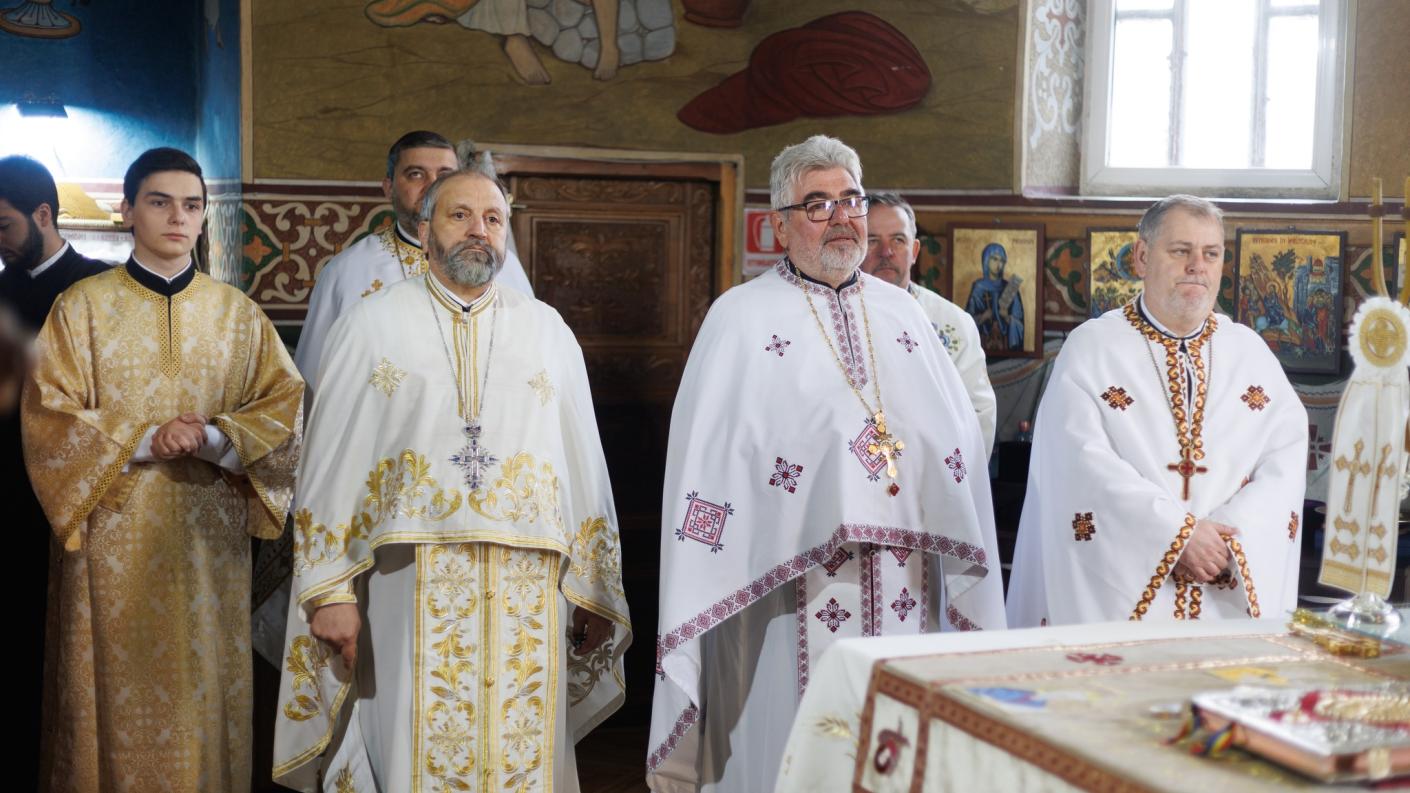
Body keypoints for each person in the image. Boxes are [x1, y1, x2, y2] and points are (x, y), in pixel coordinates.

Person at [649, 136, 1005, 793]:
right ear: (779, 224)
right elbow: (717, 460)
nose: (842, 216)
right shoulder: (740, 322)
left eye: (851, 199)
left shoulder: (907, 317)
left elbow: (956, 444)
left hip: (906, 583)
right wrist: (826, 490)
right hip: (785, 588)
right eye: (818, 204)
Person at [272, 167, 630, 792]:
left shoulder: (548, 332)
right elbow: (329, 461)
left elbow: (584, 465)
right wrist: (327, 591)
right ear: (424, 227)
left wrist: (594, 589)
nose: (478, 232)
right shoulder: (371, 324)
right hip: (406, 585)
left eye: (493, 219)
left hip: (530, 595)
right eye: (459, 215)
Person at [23, 147, 304, 792]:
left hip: (208, 551)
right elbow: (48, 416)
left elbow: (285, 413)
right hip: (108, 545)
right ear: (127, 211)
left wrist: (209, 438)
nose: (178, 217)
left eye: (192, 205)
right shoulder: (81, 307)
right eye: (159, 202)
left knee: (203, 695)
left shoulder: (237, 314)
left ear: (204, 218)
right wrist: (149, 438)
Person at [1007, 195, 1306, 627]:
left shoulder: (1251, 353)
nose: (1197, 266)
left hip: (1225, 585)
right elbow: (1077, 463)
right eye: (1181, 251)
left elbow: (1286, 459)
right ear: (1142, 257)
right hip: (1121, 593)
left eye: (1211, 253)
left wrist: (1228, 537)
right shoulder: (1092, 349)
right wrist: (1174, 535)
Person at [0, 155, 111, 789]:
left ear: (43, 214)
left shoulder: (99, 291)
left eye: (7, 226)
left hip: (74, 501)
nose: (2, 242)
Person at [294, 130, 533, 399]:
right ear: (389, 187)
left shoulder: (503, 265)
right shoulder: (346, 271)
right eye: (416, 174)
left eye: (445, 175)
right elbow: (315, 380)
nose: (432, 185)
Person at [862, 192, 996, 456]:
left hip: (931, 472)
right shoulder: (833, 319)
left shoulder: (952, 324)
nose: (886, 252)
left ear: (914, 252)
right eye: (872, 240)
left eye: (898, 240)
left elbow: (978, 412)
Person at [964, 241, 1025, 351]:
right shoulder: (978, 287)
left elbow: (1020, 324)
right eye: (994, 259)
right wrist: (982, 317)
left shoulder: (1010, 288)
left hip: (1005, 344)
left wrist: (1007, 318)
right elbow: (966, 320)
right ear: (986, 260)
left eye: (1002, 260)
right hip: (982, 344)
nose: (999, 264)